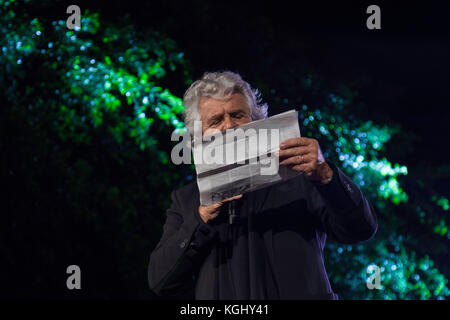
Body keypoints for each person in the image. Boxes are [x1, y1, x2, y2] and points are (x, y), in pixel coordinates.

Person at [147, 71, 378, 299]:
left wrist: (327, 175)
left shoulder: (301, 177)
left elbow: (361, 229)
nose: (229, 127)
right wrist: (201, 220)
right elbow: (161, 281)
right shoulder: (187, 200)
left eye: (238, 115)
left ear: (257, 122)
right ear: (198, 137)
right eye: (216, 121)